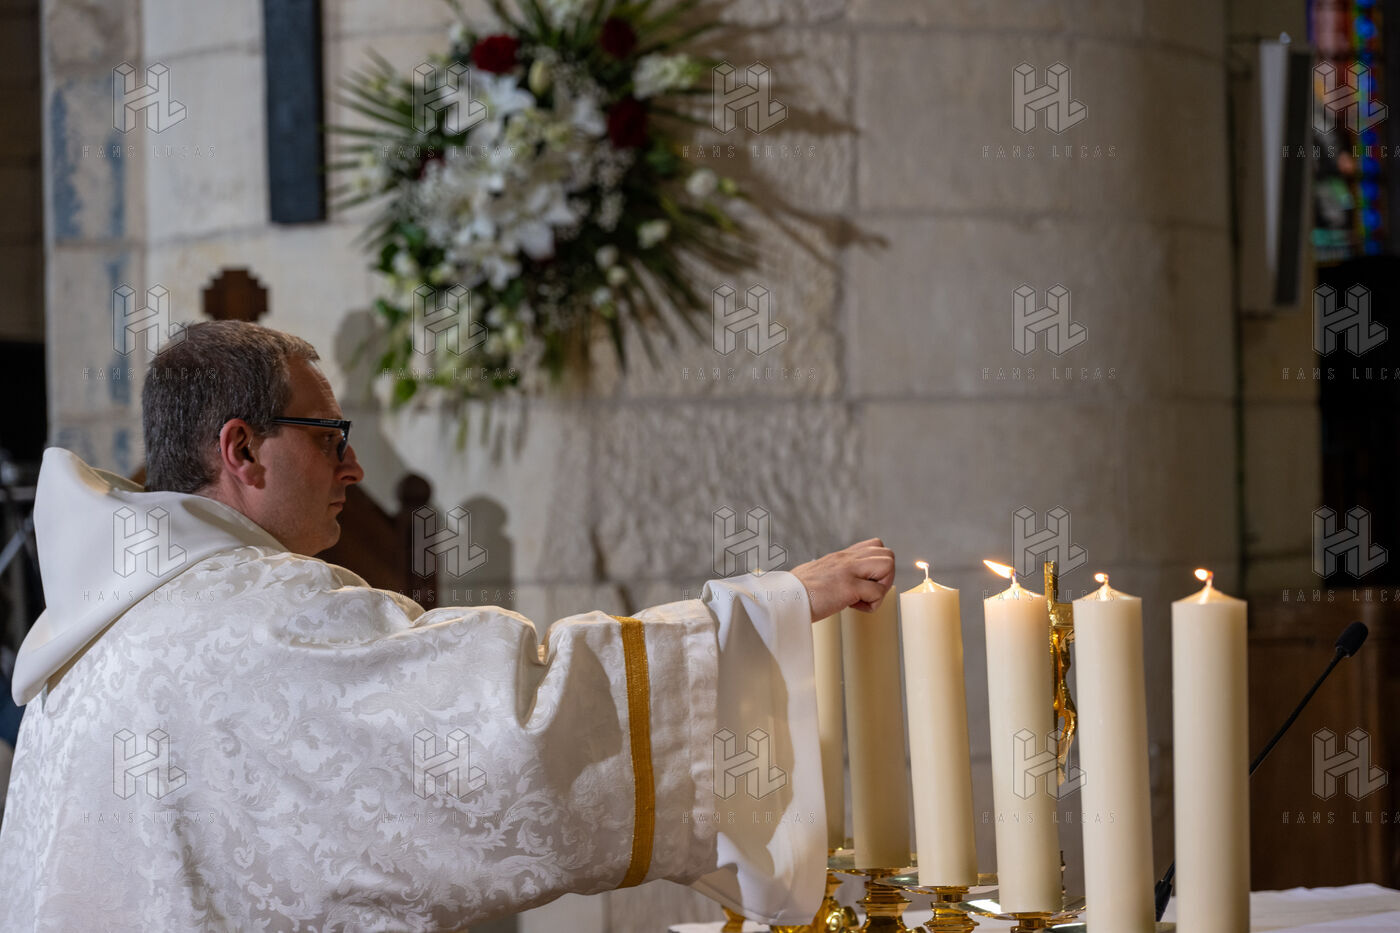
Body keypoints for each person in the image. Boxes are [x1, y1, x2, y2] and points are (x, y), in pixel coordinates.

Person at [0, 321, 895, 930]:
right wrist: (763, 613)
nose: (352, 466)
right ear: (241, 449)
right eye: (328, 435)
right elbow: (517, 726)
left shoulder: (79, 655)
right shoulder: (261, 616)